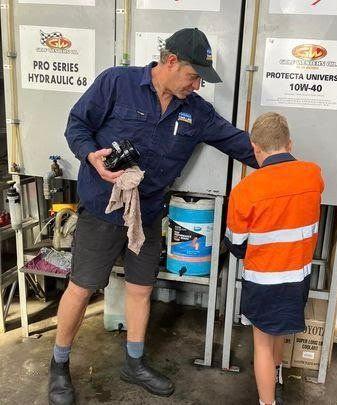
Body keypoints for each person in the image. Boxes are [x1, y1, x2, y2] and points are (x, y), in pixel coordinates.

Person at [48, 27, 258, 405]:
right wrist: (90, 155)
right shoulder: (117, 82)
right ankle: (59, 366)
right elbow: (77, 124)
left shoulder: (196, 111)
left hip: (147, 212)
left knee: (142, 288)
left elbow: (238, 142)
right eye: (193, 76)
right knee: (82, 288)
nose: (196, 86)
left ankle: (134, 362)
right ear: (170, 61)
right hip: (103, 205)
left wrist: (283, 164)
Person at [224, 112, 324, 405]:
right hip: (298, 276)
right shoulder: (313, 174)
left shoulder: (246, 190)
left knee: (262, 344)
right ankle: (278, 377)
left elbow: (236, 243)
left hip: (263, 279)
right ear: (289, 143)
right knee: (281, 329)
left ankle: (267, 402)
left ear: (255, 147)